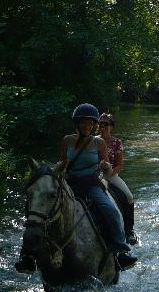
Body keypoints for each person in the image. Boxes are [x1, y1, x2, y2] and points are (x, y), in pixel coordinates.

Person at [15, 103, 136, 273]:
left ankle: (120, 251)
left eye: (90, 123)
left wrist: (105, 165)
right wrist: (51, 171)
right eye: (83, 123)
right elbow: (63, 162)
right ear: (77, 124)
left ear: (93, 125)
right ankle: (27, 255)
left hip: (90, 184)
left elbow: (107, 166)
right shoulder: (67, 140)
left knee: (110, 209)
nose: (87, 126)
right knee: (38, 209)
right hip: (69, 182)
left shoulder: (99, 142)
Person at [98, 113, 138, 245]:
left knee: (129, 196)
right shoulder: (93, 140)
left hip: (112, 175)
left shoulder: (117, 142)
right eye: (100, 123)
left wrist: (107, 176)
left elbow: (120, 165)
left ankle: (129, 230)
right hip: (94, 175)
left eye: (106, 124)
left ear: (111, 127)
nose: (102, 126)